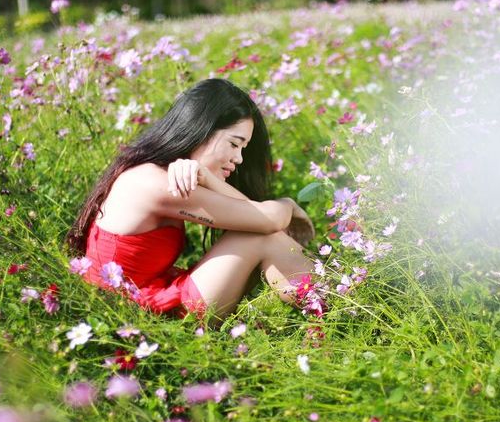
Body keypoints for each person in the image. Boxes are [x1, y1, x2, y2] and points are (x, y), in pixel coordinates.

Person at [67, 78, 315, 319]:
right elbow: (267, 220)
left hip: (144, 298)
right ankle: (336, 301)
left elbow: (258, 216)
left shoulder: (152, 173)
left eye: (243, 148)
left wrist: (209, 179)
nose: (239, 158)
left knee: (261, 232)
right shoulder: (156, 184)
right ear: (201, 129)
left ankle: (335, 297)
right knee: (264, 238)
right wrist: (289, 205)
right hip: (137, 316)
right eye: (234, 144)